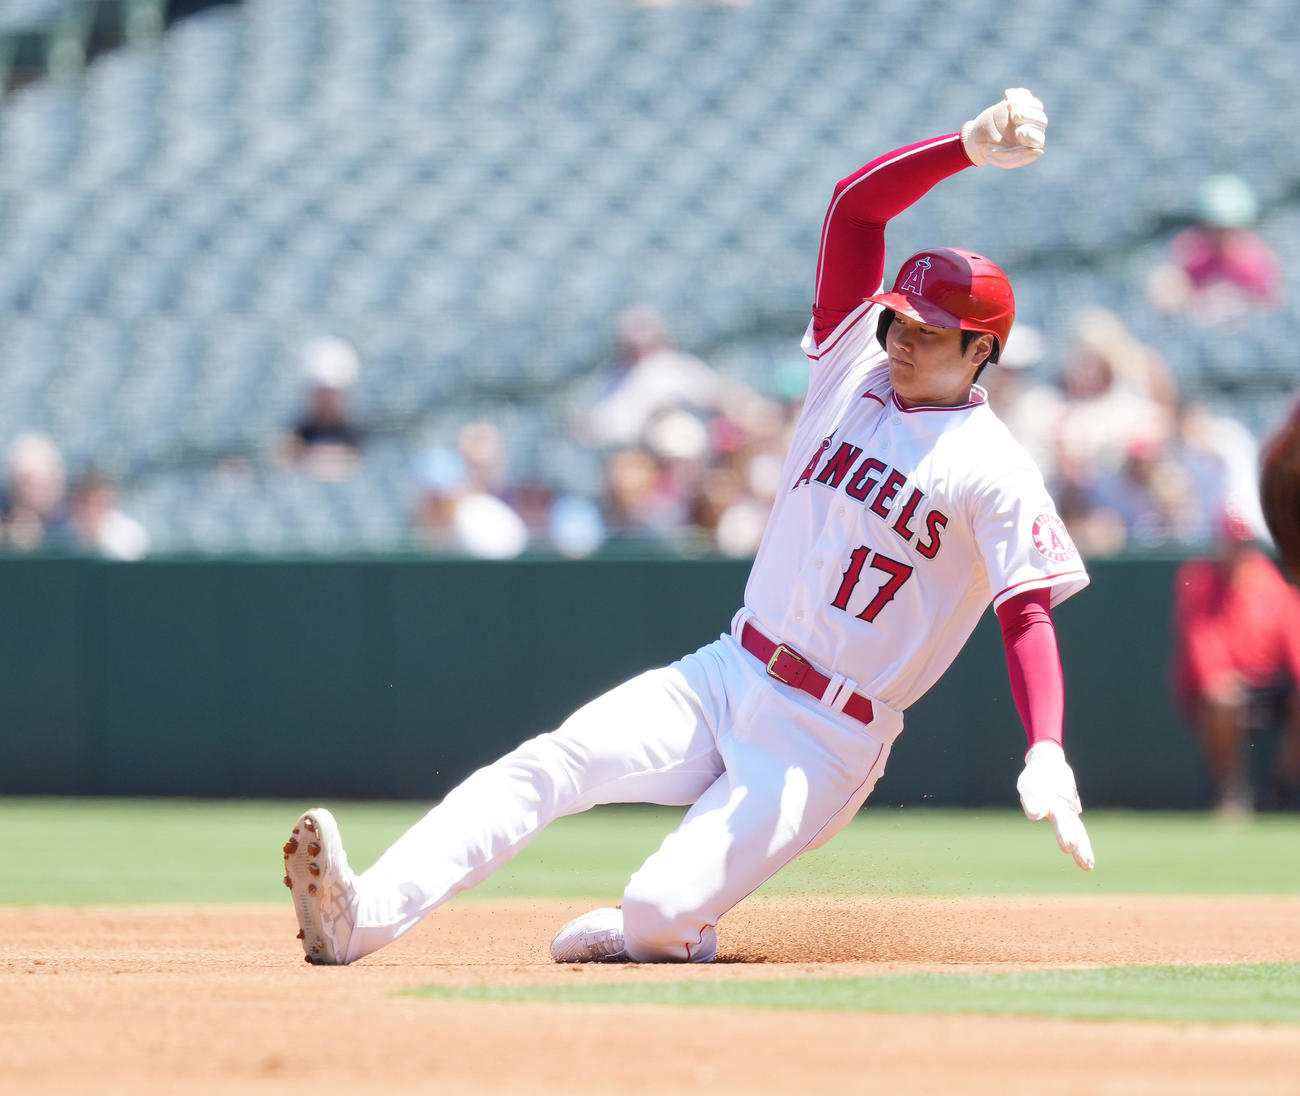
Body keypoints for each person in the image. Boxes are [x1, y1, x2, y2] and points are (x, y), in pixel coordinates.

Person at [284, 88, 1095, 968]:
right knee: (552, 763)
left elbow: (1027, 614)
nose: (902, 337)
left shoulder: (995, 468)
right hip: (728, 666)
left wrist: (1046, 745)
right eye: (900, 317)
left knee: (654, 914)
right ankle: (360, 917)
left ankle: (654, 931)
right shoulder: (848, 370)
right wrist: (965, 146)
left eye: (933, 332)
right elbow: (854, 207)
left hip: (827, 737)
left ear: (982, 350)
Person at [1171, 508, 1300, 813]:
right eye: (1232, 542)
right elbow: (1199, 641)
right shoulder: (1198, 580)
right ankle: (1230, 792)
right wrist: (1218, 677)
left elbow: (1292, 636)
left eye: (1243, 543)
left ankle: (1279, 791)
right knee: (1223, 698)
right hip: (1216, 693)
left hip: (1267, 688)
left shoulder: (1268, 579)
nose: (1238, 550)